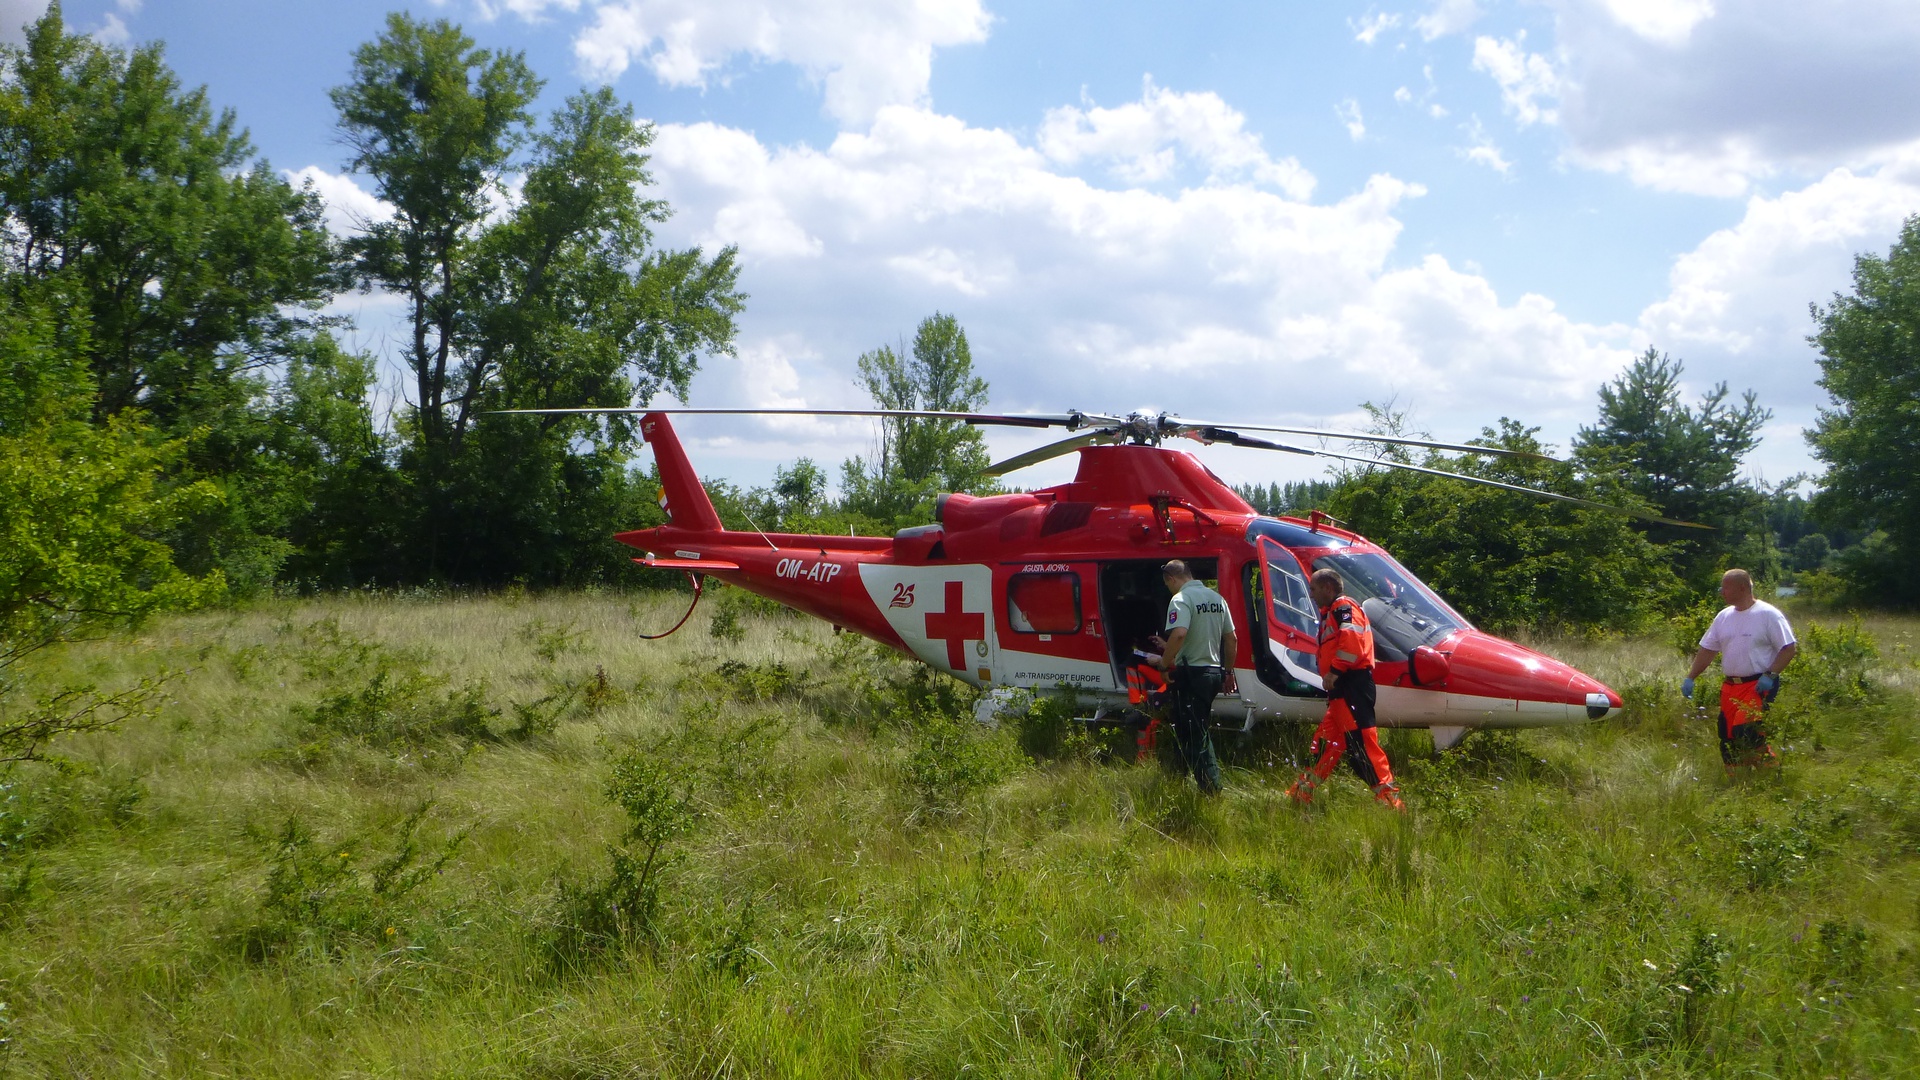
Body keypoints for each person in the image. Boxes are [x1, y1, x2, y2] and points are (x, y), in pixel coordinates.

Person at [1287, 567, 1405, 810]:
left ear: (1328, 588)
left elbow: (1351, 644)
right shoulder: (1333, 611)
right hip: (1343, 688)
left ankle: (1390, 803)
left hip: (1351, 684)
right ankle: (1300, 794)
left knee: (1361, 743)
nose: (1311, 594)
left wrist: (1335, 672)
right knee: (1325, 742)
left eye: (1313, 588)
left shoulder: (1343, 608)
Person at [1684, 568, 1797, 773]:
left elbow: (1788, 648)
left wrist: (1770, 675)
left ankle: (1769, 774)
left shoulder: (1768, 615)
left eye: (1725, 587)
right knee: (1727, 734)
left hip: (1757, 685)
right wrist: (1691, 677)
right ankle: (1736, 779)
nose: (1721, 592)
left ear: (1742, 588)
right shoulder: (1723, 616)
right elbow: (1708, 649)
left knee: (1747, 732)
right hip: (1731, 686)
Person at [1147, 560, 1237, 794]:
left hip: (1191, 675)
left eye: (1167, 584)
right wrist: (1228, 672)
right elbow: (1231, 639)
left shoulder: (1180, 599)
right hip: (1213, 672)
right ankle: (1178, 778)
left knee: (1195, 732)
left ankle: (1211, 788)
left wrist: (1164, 665)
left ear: (1171, 579)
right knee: (1187, 728)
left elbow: (1179, 633)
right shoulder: (1217, 599)